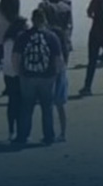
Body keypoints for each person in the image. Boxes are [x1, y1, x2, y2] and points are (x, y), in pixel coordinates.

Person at [12, 8, 64, 145]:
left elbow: (16, 57)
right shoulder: (52, 37)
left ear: (32, 20)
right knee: (47, 108)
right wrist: (56, 75)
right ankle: (48, 136)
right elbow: (58, 59)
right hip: (47, 77)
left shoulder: (23, 36)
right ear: (44, 20)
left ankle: (23, 136)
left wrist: (19, 73)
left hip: (28, 76)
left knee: (26, 107)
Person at [38, 0, 72, 142]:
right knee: (61, 100)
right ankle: (63, 132)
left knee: (48, 100)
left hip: (49, 49)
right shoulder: (67, 7)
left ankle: (49, 133)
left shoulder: (46, 7)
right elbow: (70, 26)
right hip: (64, 46)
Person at [1, 16, 30, 142]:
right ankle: (18, 131)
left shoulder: (8, 40)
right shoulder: (17, 40)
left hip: (8, 74)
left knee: (13, 103)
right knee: (20, 104)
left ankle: (12, 130)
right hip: (17, 74)